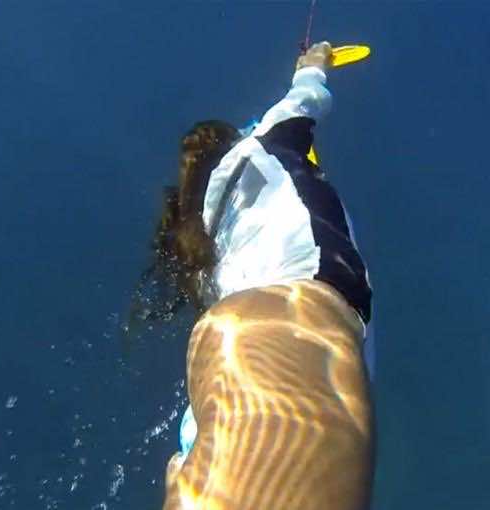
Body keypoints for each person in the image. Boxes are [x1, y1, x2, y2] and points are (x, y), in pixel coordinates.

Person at [152, 41, 374, 510]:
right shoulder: (262, 144)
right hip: (296, 321)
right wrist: (314, 62)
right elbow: (304, 98)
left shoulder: (207, 241)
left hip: (235, 341)